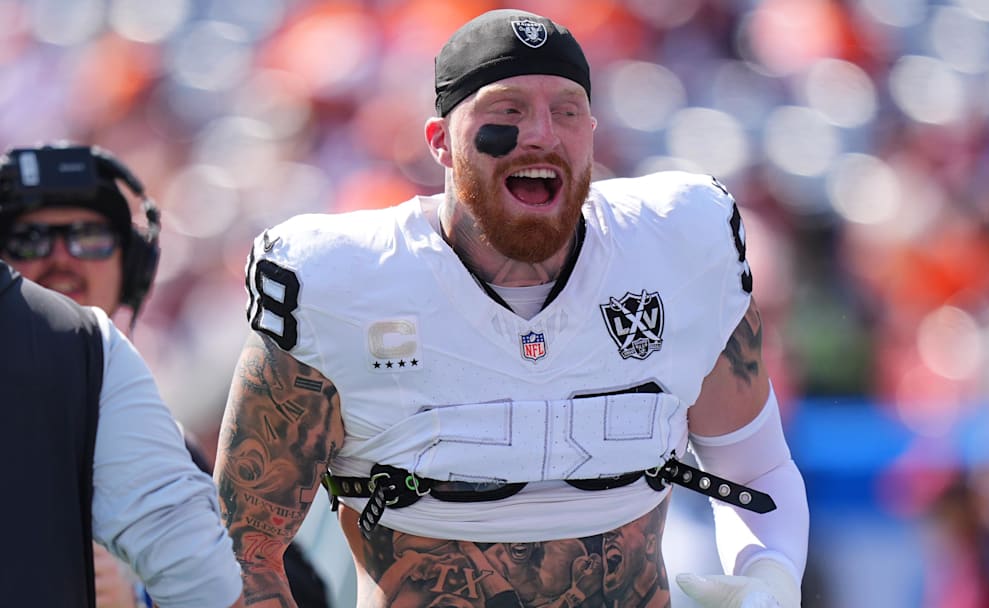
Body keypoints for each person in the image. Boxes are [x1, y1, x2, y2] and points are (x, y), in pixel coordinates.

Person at [214, 8, 809, 608]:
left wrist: (771, 574)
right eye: (508, 111)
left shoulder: (678, 246)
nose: (542, 134)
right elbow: (242, 547)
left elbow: (755, 474)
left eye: (566, 112)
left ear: (592, 133)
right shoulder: (340, 283)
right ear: (440, 142)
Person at [0, 142, 328, 608]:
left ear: (132, 268)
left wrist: (140, 599)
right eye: (28, 240)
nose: (60, 259)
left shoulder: (159, 443)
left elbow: (306, 597)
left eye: (89, 238)